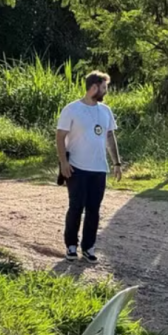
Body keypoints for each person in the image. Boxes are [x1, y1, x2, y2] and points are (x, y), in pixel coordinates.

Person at [57, 70, 123, 264]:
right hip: (76, 168)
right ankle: (71, 245)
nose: (106, 91)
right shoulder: (72, 109)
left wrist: (117, 163)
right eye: (104, 87)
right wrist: (63, 163)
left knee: (94, 210)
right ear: (93, 87)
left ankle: (88, 247)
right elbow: (60, 137)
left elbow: (110, 136)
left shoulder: (106, 111)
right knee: (76, 207)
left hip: (99, 169)